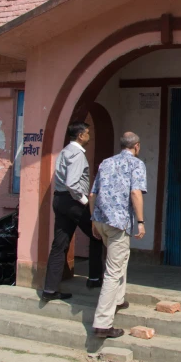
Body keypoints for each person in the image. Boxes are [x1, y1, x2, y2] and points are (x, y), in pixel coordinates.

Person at [90, 131, 147, 339]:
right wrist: (140, 222)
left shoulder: (106, 162)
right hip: (118, 223)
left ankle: (119, 299)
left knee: (121, 258)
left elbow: (92, 193)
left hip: (101, 219)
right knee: (113, 271)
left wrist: (93, 222)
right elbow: (135, 193)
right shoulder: (136, 164)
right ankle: (103, 323)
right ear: (137, 146)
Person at [42, 122, 103, 302]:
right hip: (74, 201)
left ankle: (50, 289)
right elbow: (72, 183)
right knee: (96, 234)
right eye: (87, 133)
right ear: (80, 136)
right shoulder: (77, 155)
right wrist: (85, 202)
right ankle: (94, 278)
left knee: (59, 245)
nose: (89, 136)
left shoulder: (65, 152)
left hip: (60, 200)